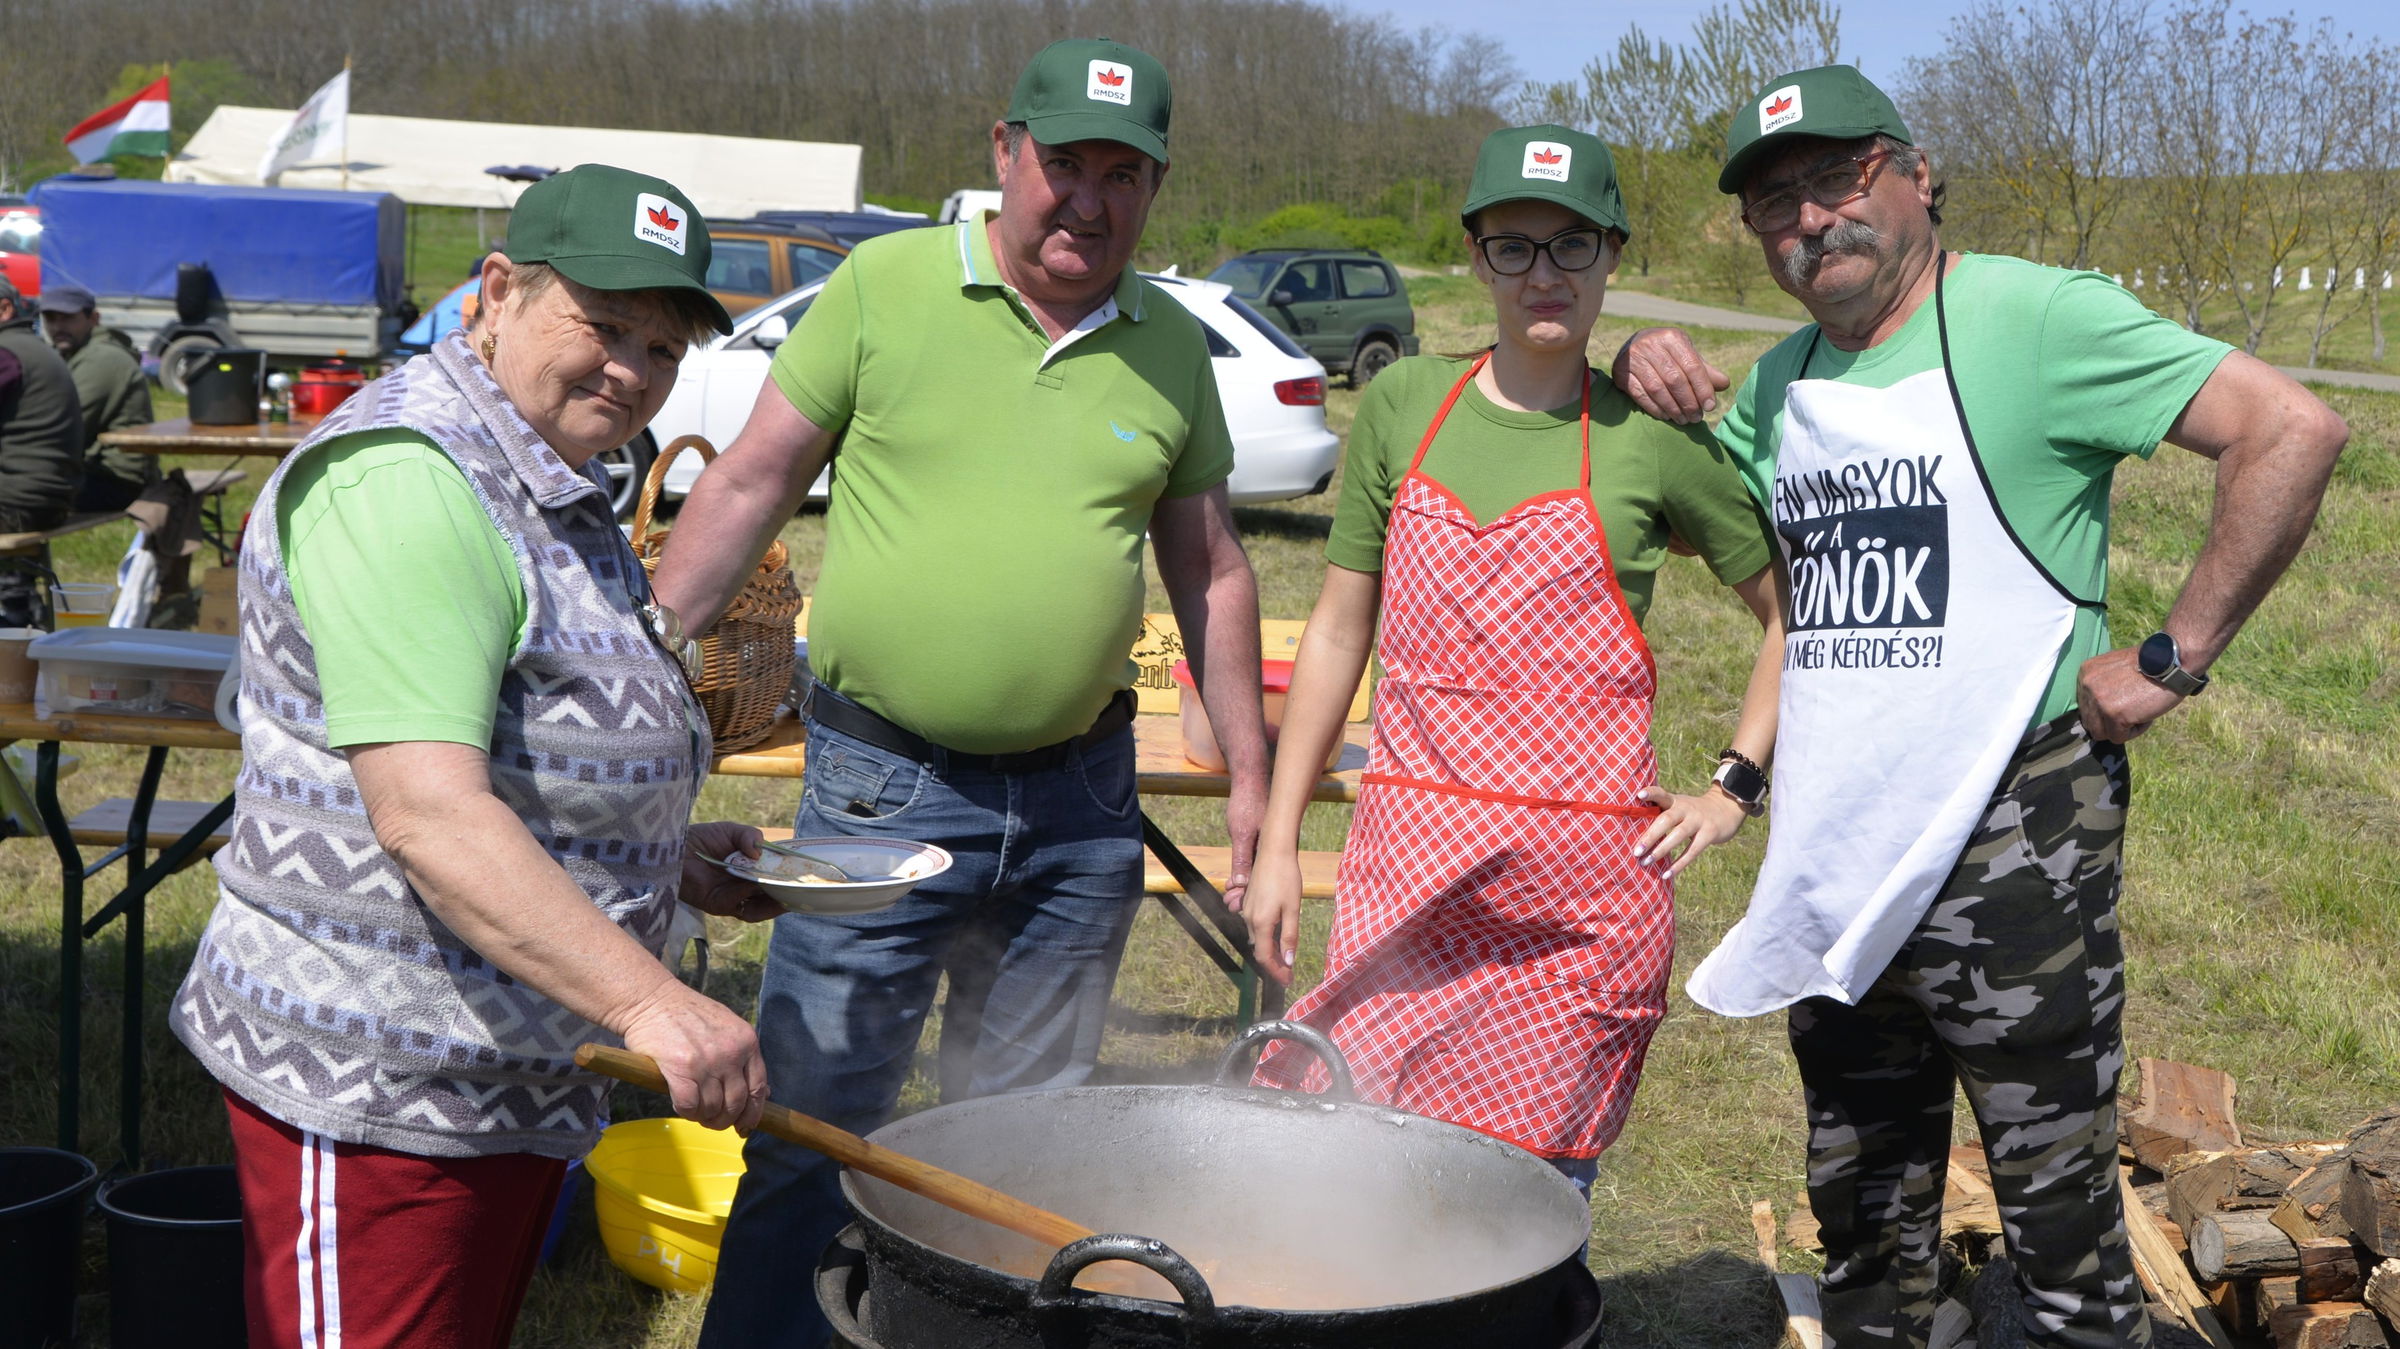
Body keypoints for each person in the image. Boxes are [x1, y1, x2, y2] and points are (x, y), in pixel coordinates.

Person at [1617, 65, 2347, 1347]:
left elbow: (2288, 428)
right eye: (1773, 201)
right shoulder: (1784, 381)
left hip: (2015, 861)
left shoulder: (2034, 315)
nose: (1809, 220)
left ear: (1914, 176)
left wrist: (2174, 653)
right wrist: (1638, 359)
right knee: (1866, 1231)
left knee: (2059, 1238)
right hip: (1840, 866)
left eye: (1836, 179)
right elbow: (1722, 529)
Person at [658, 38, 1269, 1349]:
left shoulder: (1166, 341)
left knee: (1018, 1159)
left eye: (1124, 174)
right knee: (815, 1132)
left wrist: (1259, 786)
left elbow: (1211, 563)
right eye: (1065, 165)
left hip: (1079, 815)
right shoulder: (886, 287)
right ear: (1005, 154)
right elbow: (753, 478)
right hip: (884, 792)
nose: (1090, 201)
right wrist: (651, 645)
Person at [168, 164, 785, 1349]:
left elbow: (517, 738)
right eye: (604, 325)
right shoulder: (412, 476)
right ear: (495, 292)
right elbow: (433, 817)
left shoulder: (542, 467)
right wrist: (656, 998)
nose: (633, 369)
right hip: (380, 1089)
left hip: (504, 1077)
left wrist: (656, 858)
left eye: (662, 346)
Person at [1243, 125, 1784, 1199]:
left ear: (1613, 256)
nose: (1544, 273)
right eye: (1515, 246)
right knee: (1363, 1173)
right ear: (1478, 254)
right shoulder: (1403, 406)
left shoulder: (1650, 439)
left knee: (1533, 1196)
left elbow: (1796, 617)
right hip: (1410, 873)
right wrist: (1276, 839)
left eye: (1573, 245)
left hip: (1576, 909)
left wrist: (1733, 788)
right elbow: (1341, 630)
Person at [0, 275, 83, 626]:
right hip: (45, 500)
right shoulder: (28, 347)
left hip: (18, 503)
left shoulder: (7, 354)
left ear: (3, 309)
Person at [37, 281, 158, 512]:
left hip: (117, 479)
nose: (57, 326)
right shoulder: (75, 354)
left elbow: (62, 427)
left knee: (17, 497)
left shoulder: (101, 358)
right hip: (94, 471)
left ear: (93, 318)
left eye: (67, 318)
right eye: (51, 318)